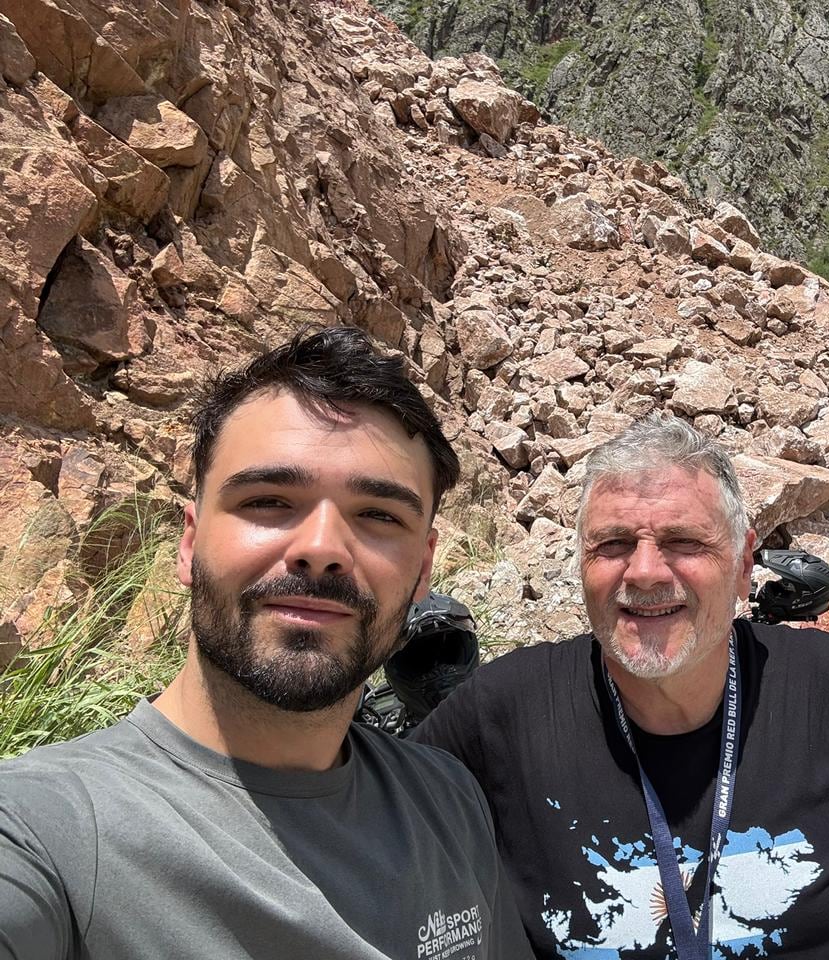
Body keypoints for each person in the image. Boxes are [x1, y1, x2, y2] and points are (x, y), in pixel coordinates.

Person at [0, 328, 533, 960]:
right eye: (270, 501)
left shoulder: (448, 800)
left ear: (422, 571)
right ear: (190, 543)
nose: (322, 549)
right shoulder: (42, 830)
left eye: (379, 516)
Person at [414, 415, 829, 959]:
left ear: (741, 565)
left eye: (684, 543)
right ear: (581, 564)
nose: (646, 572)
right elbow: (358, 832)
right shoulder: (507, 711)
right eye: (613, 544)